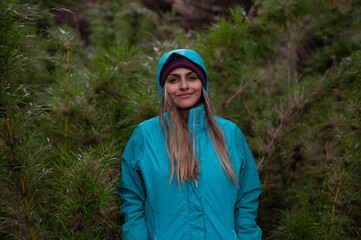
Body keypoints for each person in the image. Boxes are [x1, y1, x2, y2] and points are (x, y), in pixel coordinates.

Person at [118, 49, 262, 240]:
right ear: (164, 88)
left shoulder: (229, 133)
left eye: (191, 77)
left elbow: (247, 197)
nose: (184, 86)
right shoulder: (145, 135)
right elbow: (132, 198)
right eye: (174, 80)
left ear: (203, 83)